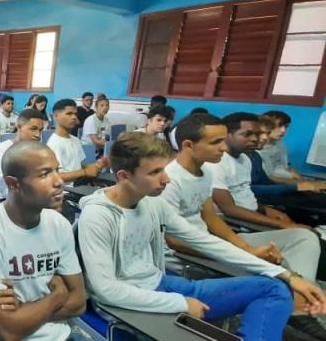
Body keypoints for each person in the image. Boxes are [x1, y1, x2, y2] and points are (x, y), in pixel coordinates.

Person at [77, 132, 326, 341]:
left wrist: (288, 275)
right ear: (124, 176)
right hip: (129, 303)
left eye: (163, 169)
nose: (166, 179)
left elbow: (204, 240)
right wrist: (181, 304)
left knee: (274, 288)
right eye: (154, 172)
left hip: (162, 285)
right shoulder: (98, 216)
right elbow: (106, 290)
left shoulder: (152, 204)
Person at [162, 113, 326, 337]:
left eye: (223, 140)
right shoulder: (168, 180)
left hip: (211, 242)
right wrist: (246, 253)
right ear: (189, 145)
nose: (223, 147)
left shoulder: (205, 171)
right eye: (216, 142)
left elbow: (211, 219)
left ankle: (298, 304)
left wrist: (246, 248)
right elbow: (175, 241)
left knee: (303, 238)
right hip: (188, 253)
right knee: (273, 274)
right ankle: (295, 305)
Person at [0, 141, 86, 340]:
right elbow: (6, 333)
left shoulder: (59, 224)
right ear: (13, 184)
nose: (59, 181)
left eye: (57, 170)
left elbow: (79, 302)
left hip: (61, 335)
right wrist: (57, 296)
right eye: (44, 174)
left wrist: (23, 313)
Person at [207, 112, 312, 229]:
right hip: (236, 224)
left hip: (253, 214)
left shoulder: (245, 159)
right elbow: (229, 210)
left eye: (257, 134)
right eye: (247, 134)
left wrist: (265, 209)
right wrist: (285, 225)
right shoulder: (215, 163)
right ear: (227, 135)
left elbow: (246, 195)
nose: (254, 139)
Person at [0, 109, 44, 204]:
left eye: (40, 130)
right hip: (5, 199)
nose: (38, 135)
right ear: (19, 127)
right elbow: (2, 185)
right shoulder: (2, 149)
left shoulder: (39, 150)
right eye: (33, 129)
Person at [46, 99, 106, 187]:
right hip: (67, 190)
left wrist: (94, 167)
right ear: (56, 116)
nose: (74, 117)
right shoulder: (54, 143)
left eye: (75, 114)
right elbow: (54, 177)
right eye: (69, 114)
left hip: (80, 184)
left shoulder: (75, 140)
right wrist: (85, 172)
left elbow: (81, 164)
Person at [259, 110, 300, 181]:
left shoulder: (279, 143)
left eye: (286, 126)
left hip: (289, 181)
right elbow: (267, 178)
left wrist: (300, 179)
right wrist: (299, 185)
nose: (283, 130)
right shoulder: (257, 149)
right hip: (275, 185)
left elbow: (286, 166)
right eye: (279, 126)